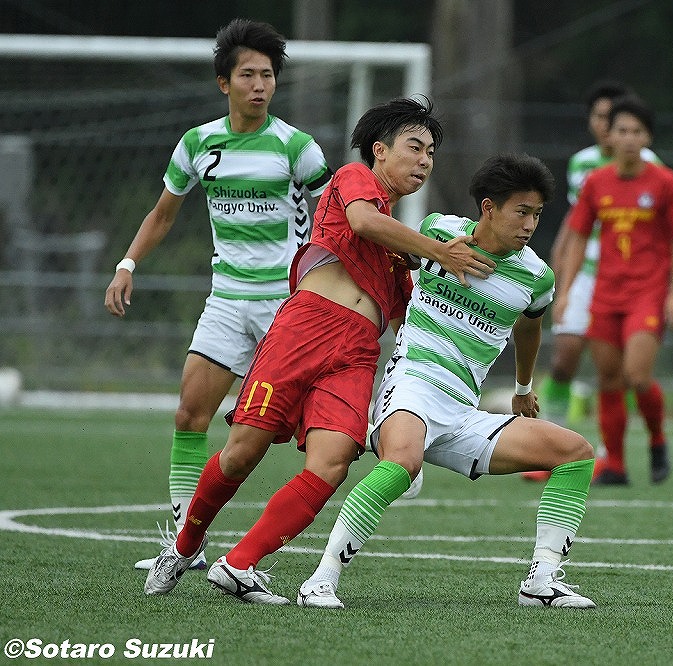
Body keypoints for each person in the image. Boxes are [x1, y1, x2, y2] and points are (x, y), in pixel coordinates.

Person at [143, 96, 496, 602]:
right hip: (304, 329)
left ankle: (239, 564)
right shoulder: (356, 179)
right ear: (380, 150)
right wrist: (440, 250)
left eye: (432, 153)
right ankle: (181, 549)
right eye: (415, 148)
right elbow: (362, 223)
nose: (425, 161)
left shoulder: (403, 249)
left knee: (332, 464)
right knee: (243, 452)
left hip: (357, 354)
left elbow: (408, 323)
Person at [296, 153, 597, 610]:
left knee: (575, 453)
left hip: (462, 411)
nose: (530, 224)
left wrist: (521, 389)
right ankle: (320, 580)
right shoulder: (438, 231)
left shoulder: (536, 277)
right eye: (521, 211)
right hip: (411, 383)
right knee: (403, 463)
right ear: (489, 208)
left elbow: (530, 326)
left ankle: (542, 581)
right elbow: (379, 245)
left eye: (537, 214)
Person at [104, 18, 332, 571]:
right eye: (249, 74)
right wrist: (127, 263)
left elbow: (335, 221)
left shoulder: (296, 149)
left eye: (269, 75)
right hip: (227, 301)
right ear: (223, 82)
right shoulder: (197, 144)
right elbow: (163, 214)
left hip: (287, 306)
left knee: (307, 430)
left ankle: (396, 443)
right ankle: (185, 541)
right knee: (189, 416)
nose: (260, 84)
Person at [555, 95, 673, 486]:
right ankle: (616, 464)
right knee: (609, 379)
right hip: (605, 291)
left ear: (648, 137)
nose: (630, 138)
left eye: (637, 131)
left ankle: (657, 439)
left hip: (647, 292)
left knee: (637, 375)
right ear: (610, 135)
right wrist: (565, 292)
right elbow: (579, 237)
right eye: (622, 130)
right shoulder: (596, 183)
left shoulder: (665, 182)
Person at [523, 80, 661, 482]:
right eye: (600, 118)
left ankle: (607, 452)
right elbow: (578, 218)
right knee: (564, 358)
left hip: (628, 282)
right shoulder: (582, 163)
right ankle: (548, 448)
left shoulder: (651, 166)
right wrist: (561, 265)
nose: (606, 126)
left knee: (616, 372)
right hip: (585, 275)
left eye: (614, 120)